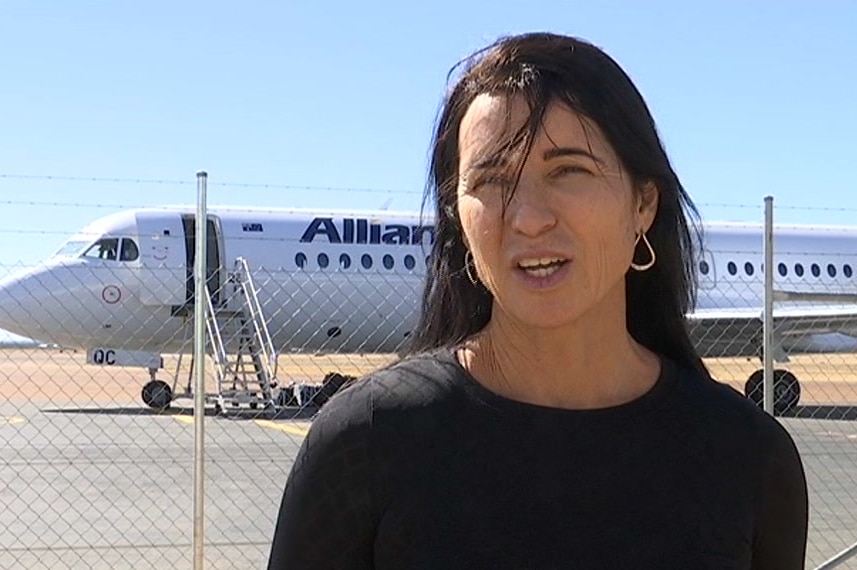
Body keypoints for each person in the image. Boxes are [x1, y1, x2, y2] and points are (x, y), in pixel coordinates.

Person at [267, 32, 808, 569]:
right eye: (492, 180)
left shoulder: (750, 460)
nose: (528, 218)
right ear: (458, 216)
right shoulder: (363, 444)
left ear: (643, 204)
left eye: (567, 170)